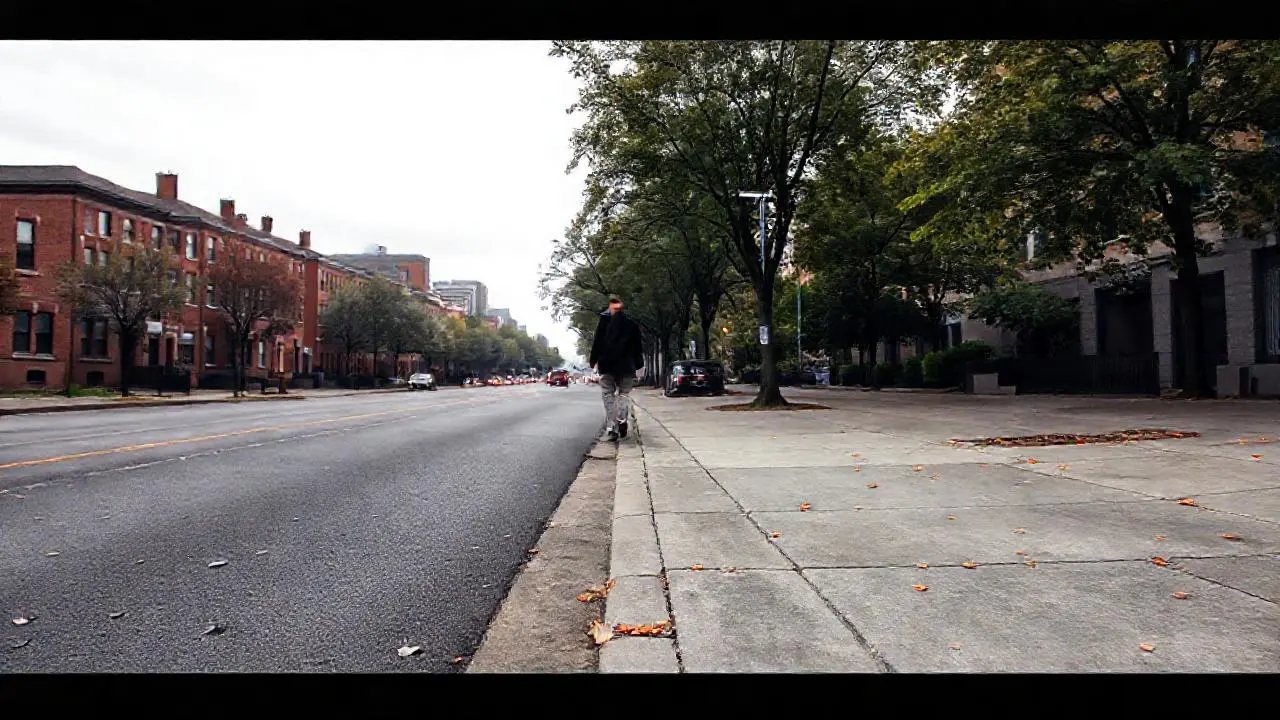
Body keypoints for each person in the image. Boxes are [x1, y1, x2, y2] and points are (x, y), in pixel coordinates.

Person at [588, 296, 644, 441]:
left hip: (607, 365)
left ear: (610, 308)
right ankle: (622, 419)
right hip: (627, 366)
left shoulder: (604, 322)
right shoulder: (631, 324)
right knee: (624, 394)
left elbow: (597, 342)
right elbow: (638, 348)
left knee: (608, 394)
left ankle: (612, 427)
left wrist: (593, 360)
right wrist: (639, 365)